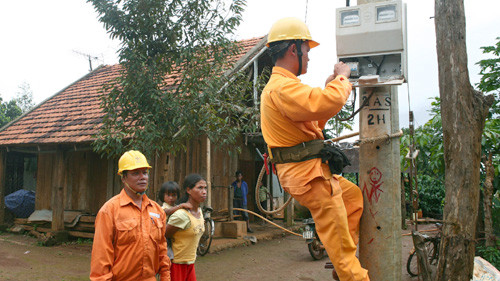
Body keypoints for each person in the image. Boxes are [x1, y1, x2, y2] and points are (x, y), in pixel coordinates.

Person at [260, 17, 369, 281]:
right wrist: (342, 79)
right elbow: (325, 103)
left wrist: (331, 83)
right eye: (307, 50)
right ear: (292, 50)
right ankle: (348, 270)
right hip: (310, 177)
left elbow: (312, 121)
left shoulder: (286, 87)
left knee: (352, 197)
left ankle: (342, 264)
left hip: (306, 172)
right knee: (342, 248)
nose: (308, 57)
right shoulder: (283, 87)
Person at [90, 150, 170, 281]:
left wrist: (166, 277)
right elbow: (101, 257)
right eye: (135, 173)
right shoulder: (109, 211)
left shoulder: (157, 210)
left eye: (144, 172)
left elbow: (162, 251)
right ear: (123, 178)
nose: (142, 177)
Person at [165, 174, 206, 281]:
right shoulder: (182, 215)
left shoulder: (199, 211)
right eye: (200, 188)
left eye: (205, 188)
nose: (204, 191)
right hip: (176, 264)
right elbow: (163, 234)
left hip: (190, 263)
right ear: (188, 190)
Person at [159, 181, 193, 260]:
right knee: (167, 256)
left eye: (173, 195)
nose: (171, 198)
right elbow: (168, 211)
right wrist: (181, 206)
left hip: (173, 236)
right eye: (168, 195)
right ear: (162, 196)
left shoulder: (175, 206)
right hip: (164, 237)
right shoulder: (163, 207)